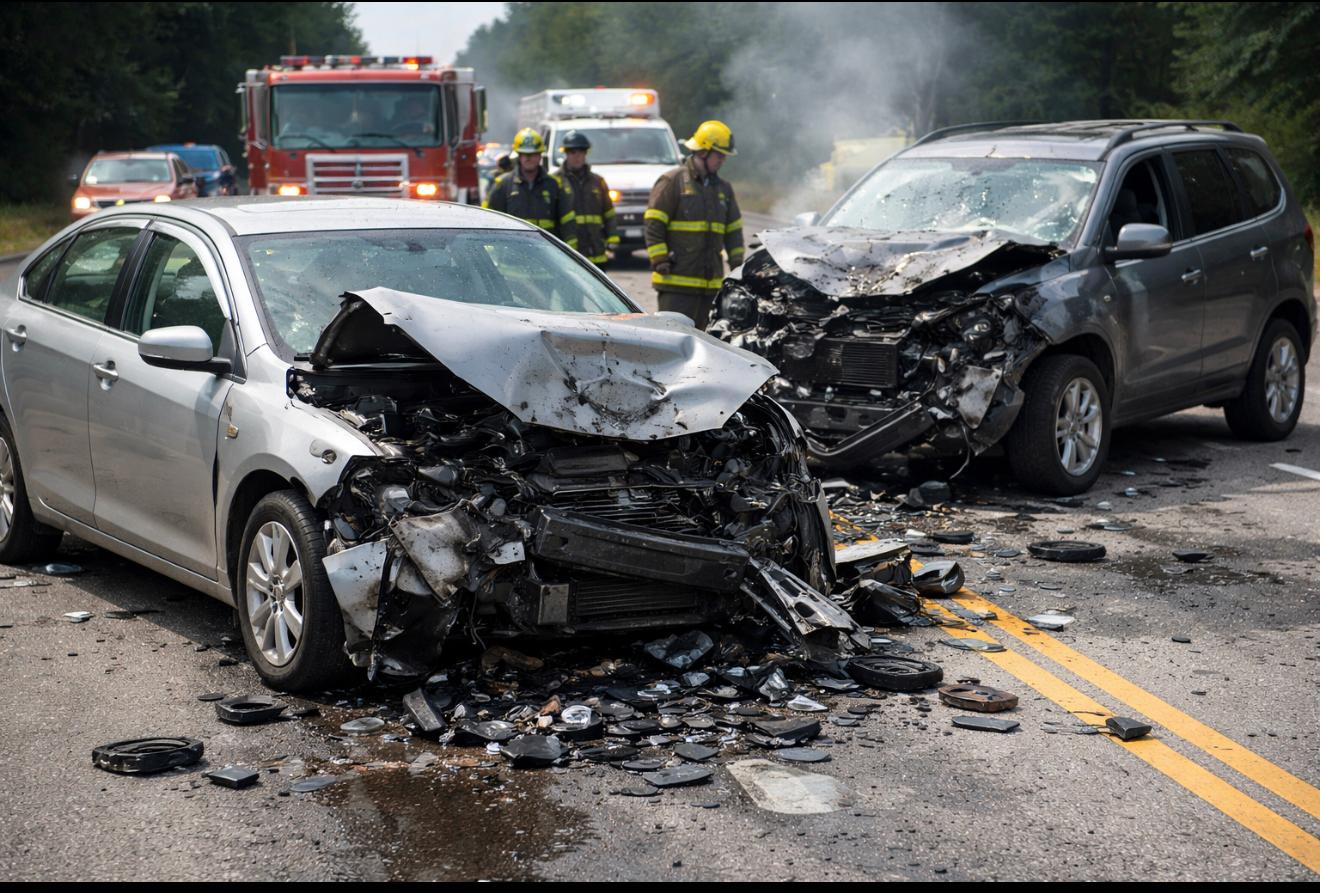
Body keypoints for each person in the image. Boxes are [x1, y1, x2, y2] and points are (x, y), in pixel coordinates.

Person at [644, 120, 744, 328]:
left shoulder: (724, 189)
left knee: (706, 346)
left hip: (710, 287)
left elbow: (733, 230)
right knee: (674, 341)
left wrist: (737, 267)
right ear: (704, 151)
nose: (723, 161)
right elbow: (654, 222)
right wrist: (660, 258)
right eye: (719, 155)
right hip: (676, 284)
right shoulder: (673, 181)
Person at [484, 128, 577, 249]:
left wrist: (570, 254)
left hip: (547, 256)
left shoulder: (555, 185)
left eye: (533, 154)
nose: (528, 158)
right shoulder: (503, 184)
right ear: (519, 155)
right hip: (511, 256)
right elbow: (488, 220)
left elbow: (567, 223)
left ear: (540, 156)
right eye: (524, 154)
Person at [554, 130, 618, 266]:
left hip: (597, 252)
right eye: (572, 152)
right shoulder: (554, 181)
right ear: (566, 153)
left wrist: (612, 239)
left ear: (585, 153)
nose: (577, 156)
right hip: (568, 253)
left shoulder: (598, 181)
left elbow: (609, 213)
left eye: (581, 152)